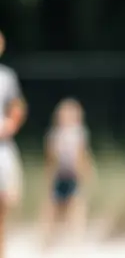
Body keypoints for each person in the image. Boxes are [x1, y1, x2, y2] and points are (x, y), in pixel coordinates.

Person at [42, 98, 95, 246]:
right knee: (53, 208)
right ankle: (49, 237)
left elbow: (82, 154)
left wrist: (85, 170)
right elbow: (50, 156)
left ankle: (75, 236)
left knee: (76, 206)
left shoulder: (79, 134)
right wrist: (49, 174)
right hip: (60, 174)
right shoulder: (55, 134)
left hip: (73, 174)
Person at [0, 30, 28, 258]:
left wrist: (10, 125)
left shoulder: (6, 77)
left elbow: (17, 106)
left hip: (2, 145)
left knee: (4, 202)